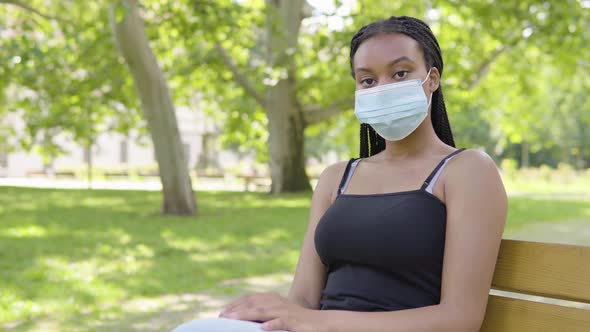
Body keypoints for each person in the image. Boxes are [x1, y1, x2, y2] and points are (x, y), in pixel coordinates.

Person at [172, 15, 507, 332]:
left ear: (432, 78)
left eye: (401, 73)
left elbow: (459, 318)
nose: (383, 88)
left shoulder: (467, 171)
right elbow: (302, 300)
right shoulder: (336, 178)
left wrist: (322, 323)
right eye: (368, 80)